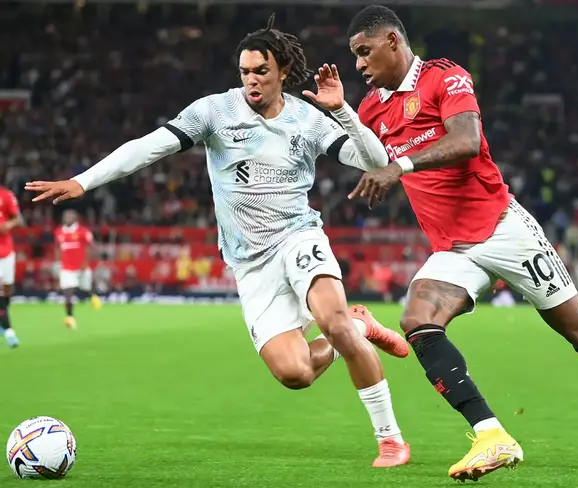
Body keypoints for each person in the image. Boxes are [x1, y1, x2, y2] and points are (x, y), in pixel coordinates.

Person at [26, 15, 411, 467]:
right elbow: (148, 146)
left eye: (261, 71)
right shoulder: (214, 112)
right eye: (245, 71)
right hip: (250, 263)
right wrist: (83, 181)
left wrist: (342, 110)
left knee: (334, 323)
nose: (252, 80)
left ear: (283, 71)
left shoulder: (307, 119)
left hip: (298, 236)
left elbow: (375, 162)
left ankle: (390, 439)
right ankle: (362, 324)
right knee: (296, 374)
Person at [345, 5, 578, 481]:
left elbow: (467, 140)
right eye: (355, 56)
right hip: (453, 248)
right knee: (417, 321)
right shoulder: (371, 107)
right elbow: (368, 160)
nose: (359, 64)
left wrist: (401, 166)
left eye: (364, 51)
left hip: (503, 229)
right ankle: (492, 435)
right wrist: (341, 112)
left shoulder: (444, 77)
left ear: (392, 40)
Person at [54, 209, 102, 329]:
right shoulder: (59, 232)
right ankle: (70, 317)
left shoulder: (83, 231)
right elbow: (57, 247)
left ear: (75, 218)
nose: (67, 218)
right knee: (68, 293)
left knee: (86, 289)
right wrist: (58, 262)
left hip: (82, 267)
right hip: (67, 268)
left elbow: (93, 247)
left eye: (70, 216)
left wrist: (86, 262)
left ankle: (93, 296)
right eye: (65, 216)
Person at [0, 185, 21, 348]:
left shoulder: (5, 195)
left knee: (8, 290)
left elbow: (17, 219)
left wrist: (7, 225)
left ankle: (3, 316)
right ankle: (9, 330)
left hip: (6, 251)